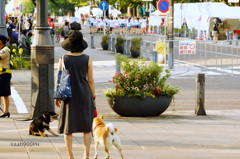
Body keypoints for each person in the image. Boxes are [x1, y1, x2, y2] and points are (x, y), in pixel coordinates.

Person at [55, 30, 96, 159]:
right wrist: (93, 97)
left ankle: (70, 155)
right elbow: (90, 80)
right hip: (84, 93)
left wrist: (58, 95)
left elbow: (59, 78)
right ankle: (86, 154)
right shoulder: (88, 59)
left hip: (68, 94)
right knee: (86, 127)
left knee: (68, 126)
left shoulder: (63, 59)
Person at [0, 34, 12, 118]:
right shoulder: (2, 49)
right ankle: (6, 111)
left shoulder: (4, 50)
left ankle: (6, 111)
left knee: (5, 94)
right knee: (4, 94)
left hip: (4, 75)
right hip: (2, 75)